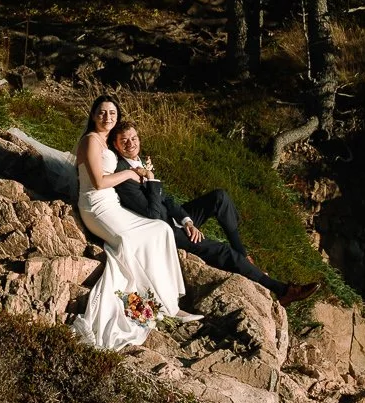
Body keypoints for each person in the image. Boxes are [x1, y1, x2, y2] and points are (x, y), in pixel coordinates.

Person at [107, 120, 311, 304]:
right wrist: (151, 179)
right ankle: (282, 290)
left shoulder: (139, 162)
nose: (131, 143)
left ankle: (242, 254)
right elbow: (153, 214)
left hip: (173, 219)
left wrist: (187, 220)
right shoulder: (123, 174)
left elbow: (166, 199)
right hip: (164, 230)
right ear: (116, 145)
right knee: (222, 251)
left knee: (219, 197)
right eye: (124, 140)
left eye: (134, 138)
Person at [69, 93, 186, 350]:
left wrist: (138, 172)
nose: (107, 117)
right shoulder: (90, 140)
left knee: (160, 229)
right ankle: (144, 299)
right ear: (92, 115)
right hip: (95, 205)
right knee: (128, 240)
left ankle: (168, 301)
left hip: (112, 203)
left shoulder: (107, 141)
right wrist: (130, 174)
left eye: (112, 113)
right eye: (101, 112)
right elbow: (98, 182)